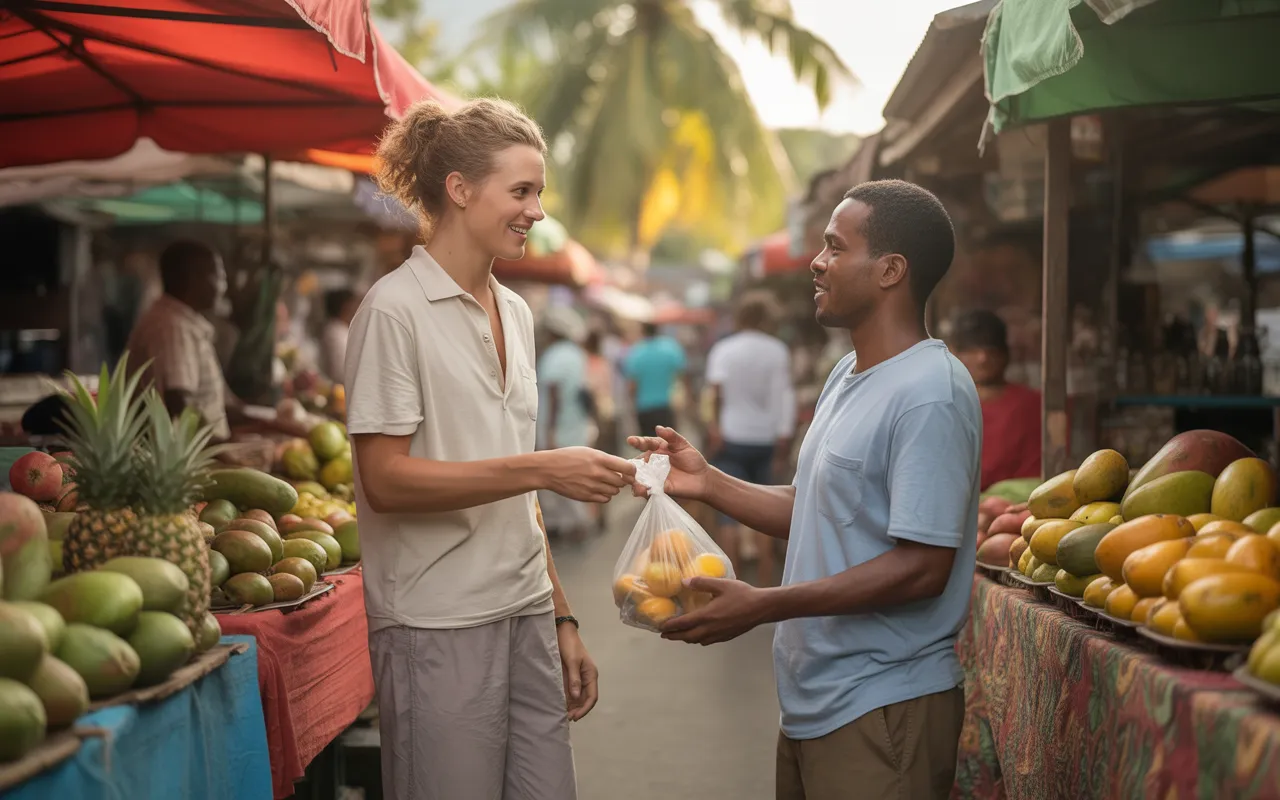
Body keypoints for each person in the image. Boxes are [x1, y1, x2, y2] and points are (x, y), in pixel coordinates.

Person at [629, 180, 980, 800]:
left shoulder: (931, 393)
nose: (817, 262)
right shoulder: (848, 374)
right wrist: (708, 482)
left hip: (883, 706)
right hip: (814, 702)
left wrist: (765, 603)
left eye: (835, 247)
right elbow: (814, 508)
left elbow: (923, 568)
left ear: (890, 271)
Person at [346, 97, 636, 800]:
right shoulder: (393, 311)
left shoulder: (516, 311)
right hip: (435, 622)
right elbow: (384, 481)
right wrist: (544, 466)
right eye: (522, 191)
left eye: (537, 193)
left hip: (527, 612)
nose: (535, 210)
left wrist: (561, 616)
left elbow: (518, 493)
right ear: (460, 190)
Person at [705, 291, 796, 584]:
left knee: (727, 511)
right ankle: (768, 581)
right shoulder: (778, 350)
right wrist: (784, 434)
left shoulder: (724, 349)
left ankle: (732, 582)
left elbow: (714, 394)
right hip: (766, 438)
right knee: (765, 510)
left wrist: (714, 428)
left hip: (730, 436)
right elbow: (784, 395)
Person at [125, 240, 238, 440]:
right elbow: (180, 407)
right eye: (219, 276)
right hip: (190, 461)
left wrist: (276, 421)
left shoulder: (184, 322)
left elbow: (221, 404)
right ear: (194, 278)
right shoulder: (172, 327)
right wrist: (224, 451)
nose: (224, 286)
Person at [948, 309, 1041, 490]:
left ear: (1006, 353)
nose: (983, 358)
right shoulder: (939, 405)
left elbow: (1036, 481)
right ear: (953, 353)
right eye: (971, 350)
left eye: (991, 350)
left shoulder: (1031, 406)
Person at [536, 306, 596, 539]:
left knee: (557, 477)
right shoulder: (576, 353)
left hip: (557, 426)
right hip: (576, 424)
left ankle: (572, 525)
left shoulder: (554, 355)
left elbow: (554, 393)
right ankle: (575, 524)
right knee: (574, 473)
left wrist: (550, 430)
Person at [623, 321, 688, 435]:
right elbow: (682, 375)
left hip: (644, 407)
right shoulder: (671, 349)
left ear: (642, 331)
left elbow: (632, 385)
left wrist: (631, 406)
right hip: (666, 405)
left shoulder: (636, 352)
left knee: (649, 446)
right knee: (667, 446)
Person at [320, 288, 361, 381]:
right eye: (356, 305)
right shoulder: (335, 333)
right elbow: (341, 372)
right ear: (346, 307)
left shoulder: (342, 330)